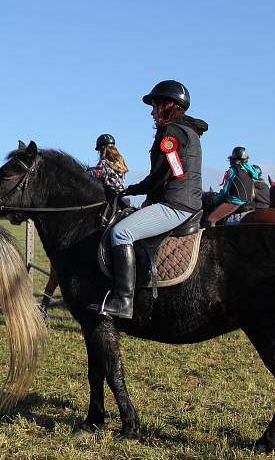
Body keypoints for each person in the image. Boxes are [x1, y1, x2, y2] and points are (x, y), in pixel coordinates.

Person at [87, 80, 207, 319]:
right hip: (184, 200)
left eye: (155, 106)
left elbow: (163, 175)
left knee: (120, 233)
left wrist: (130, 190)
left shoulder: (171, 133)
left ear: (168, 105)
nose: (152, 112)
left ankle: (123, 300)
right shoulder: (188, 131)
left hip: (177, 203)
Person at [39, 134, 129, 319]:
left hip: (104, 207)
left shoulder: (103, 165)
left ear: (102, 149)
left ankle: (44, 306)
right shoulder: (121, 164)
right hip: (120, 205)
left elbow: (88, 182)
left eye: (99, 150)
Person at [206, 147, 259, 226]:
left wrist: (214, 201)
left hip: (234, 202)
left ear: (232, 159)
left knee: (210, 220)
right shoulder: (251, 172)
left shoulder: (232, 171)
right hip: (249, 203)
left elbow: (224, 192)